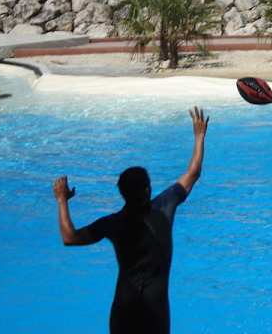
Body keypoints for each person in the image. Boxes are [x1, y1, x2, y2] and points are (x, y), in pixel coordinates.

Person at [52, 107, 209, 334]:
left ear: (122, 193)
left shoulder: (112, 223)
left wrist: (61, 200)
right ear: (147, 189)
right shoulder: (164, 207)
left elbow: (70, 237)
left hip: (124, 311)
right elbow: (193, 173)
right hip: (155, 312)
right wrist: (199, 136)